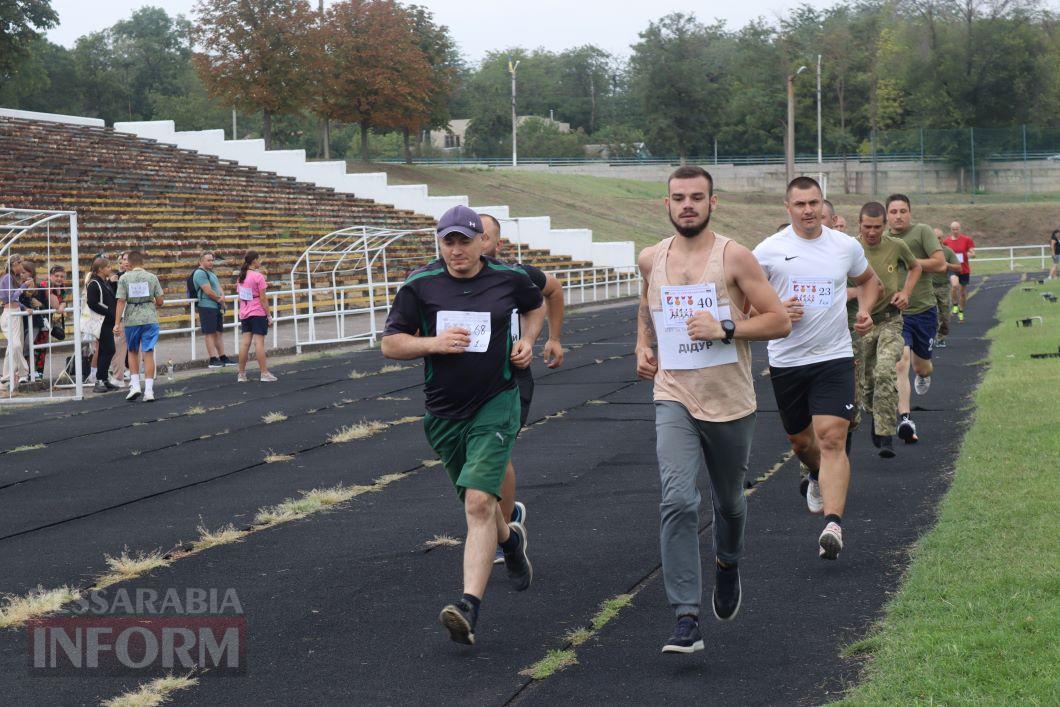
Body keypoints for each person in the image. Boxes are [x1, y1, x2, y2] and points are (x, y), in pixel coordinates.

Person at [637, 166, 789, 653]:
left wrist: (725, 328)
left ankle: (728, 561)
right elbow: (647, 304)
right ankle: (686, 616)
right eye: (678, 197)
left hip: (729, 401)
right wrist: (642, 343)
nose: (687, 205)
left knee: (729, 502)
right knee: (678, 499)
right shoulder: (651, 258)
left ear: (712, 203)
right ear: (666, 204)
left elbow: (779, 320)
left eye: (696, 197)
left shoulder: (735, 258)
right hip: (673, 393)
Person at [381, 205, 544, 646]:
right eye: (447, 241)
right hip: (444, 414)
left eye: (463, 241)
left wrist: (528, 342)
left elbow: (536, 304)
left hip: (496, 402)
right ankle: (509, 541)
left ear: (481, 242)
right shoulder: (420, 285)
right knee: (487, 510)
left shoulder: (509, 277)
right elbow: (390, 343)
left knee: (476, 505)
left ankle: (468, 605)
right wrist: (433, 342)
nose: (455, 250)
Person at [753, 177, 880, 561]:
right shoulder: (768, 251)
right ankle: (815, 476)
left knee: (832, 439)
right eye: (800, 204)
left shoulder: (845, 246)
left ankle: (833, 524)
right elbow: (744, 298)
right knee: (801, 443)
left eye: (813, 203)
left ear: (823, 204)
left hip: (834, 356)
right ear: (787, 208)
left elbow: (869, 280)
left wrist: (866, 309)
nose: (808, 210)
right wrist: (772, 309)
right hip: (788, 360)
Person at [479, 213, 564, 564]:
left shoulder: (515, 276)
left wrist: (552, 339)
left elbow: (553, 290)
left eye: (484, 237)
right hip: (464, 383)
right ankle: (504, 517)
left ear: (497, 244)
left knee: (497, 453)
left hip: (511, 377)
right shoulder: (445, 279)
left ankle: (505, 529)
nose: (475, 242)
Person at [855, 203, 922, 458]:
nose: (872, 232)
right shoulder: (850, 248)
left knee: (885, 370)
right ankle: (875, 417)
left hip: (891, 320)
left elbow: (915, 267)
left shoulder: (895, 246)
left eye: (877, 227)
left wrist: (905, 292)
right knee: (866, 384)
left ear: (884, 226)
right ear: (858, 224)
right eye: (867, 227)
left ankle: (886, 435)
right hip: (862, 323)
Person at [884, 195, 946, 444]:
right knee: (901, 363)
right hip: (896, 313)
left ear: (910, 213)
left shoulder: (921, 232)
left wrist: (910, 261)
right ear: (887, 215)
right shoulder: (883, 239)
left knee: (922, 366)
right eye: (893, 211)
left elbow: (940, 264)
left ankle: (923, 375)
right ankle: (906, 419)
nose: (898, 216)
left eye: (902, 211)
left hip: (924, 310)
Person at [113, 251, 165, 402]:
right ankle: (149, 391)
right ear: (142, 262)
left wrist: (117, 323)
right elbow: (160, 301)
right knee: (148, 352)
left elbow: (121, 301)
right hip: (149, 318)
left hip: (132, 319)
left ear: (129, 263)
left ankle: (135, 386)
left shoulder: (124, 278)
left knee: (132, 351)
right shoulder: (152, 277)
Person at [235, 251, 276, 383]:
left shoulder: (241, 276)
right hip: (257, 312)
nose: (260, 262)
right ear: (254, 261)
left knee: (245, 343)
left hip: (245, 312)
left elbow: (240, 296)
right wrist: (269, 316)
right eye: (259, 260)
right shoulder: (258, 276)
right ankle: (264, 373)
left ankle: (241, 374)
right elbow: (263, 299)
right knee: (259, 343)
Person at [193, 252, 235, 368]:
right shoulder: (199, 273)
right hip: (206, 306)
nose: (211, 262)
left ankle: (222, 357)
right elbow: (208, 291)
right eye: (208, 260)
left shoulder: (211, 272)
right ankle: (212, 359)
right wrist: (219, 300)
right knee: (210, 333)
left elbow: (218, 287)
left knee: (218, 333)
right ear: (201, 261)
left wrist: (222, 297)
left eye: (212, 260)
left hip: (215, 306)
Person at [86, 258, 119, 393]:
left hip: (107, 322)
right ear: (100, 269)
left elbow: (113, 298)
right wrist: (109, 313)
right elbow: (92, 303)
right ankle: (100, 380)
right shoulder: (94, 283)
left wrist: (114, 284)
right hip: (102, 322)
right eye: (108, 267)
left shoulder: (105, 283)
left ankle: (103, 379)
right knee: (109, 349)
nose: (110, 269)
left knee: (106, 350)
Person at [1, 256, 31, 386]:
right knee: (16, 345)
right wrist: (24, 286)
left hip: (15, 312)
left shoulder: (12, 277)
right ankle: (24, 372)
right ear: (14, 265)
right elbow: (11, 297)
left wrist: (25, 308)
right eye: (20, 264)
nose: (22, 268)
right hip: (10, 314)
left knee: (11, 347)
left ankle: (7, 375)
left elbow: (15, 301)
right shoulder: (8, 277)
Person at [932, 229, 960, 349]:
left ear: (942, 239)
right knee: (930, 314)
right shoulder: (925, 251)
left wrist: (946, 264)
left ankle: (941, 337)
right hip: (928, 287)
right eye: (934, 238)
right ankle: (931, 338)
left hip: (943, 287)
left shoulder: (948, 252)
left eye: (939, 238)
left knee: (944, 315)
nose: (937, 240)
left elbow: (958, 267)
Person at [942, 221, 975, 322]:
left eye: (957, 229)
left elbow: (973, 253)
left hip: (964, 269)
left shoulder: (967, 240)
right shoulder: (946, 241)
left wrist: (966, 255)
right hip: (953, 268)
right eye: (953, 229)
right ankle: (955, 304)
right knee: (955, 286)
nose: (955, 231)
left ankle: (961, 311)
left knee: (963, 293)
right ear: (950, 230)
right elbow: (942, 253)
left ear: (960, 229)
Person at [108, 252, 131, 387]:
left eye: (127, 259)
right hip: (125, 316)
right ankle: (120, 376)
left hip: (130, 316)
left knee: (132, 348)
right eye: (122, 259)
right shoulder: (117, 277)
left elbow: (121, 300)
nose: (124, 262)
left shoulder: (137, 276)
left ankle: (122, 377)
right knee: (120, 347)